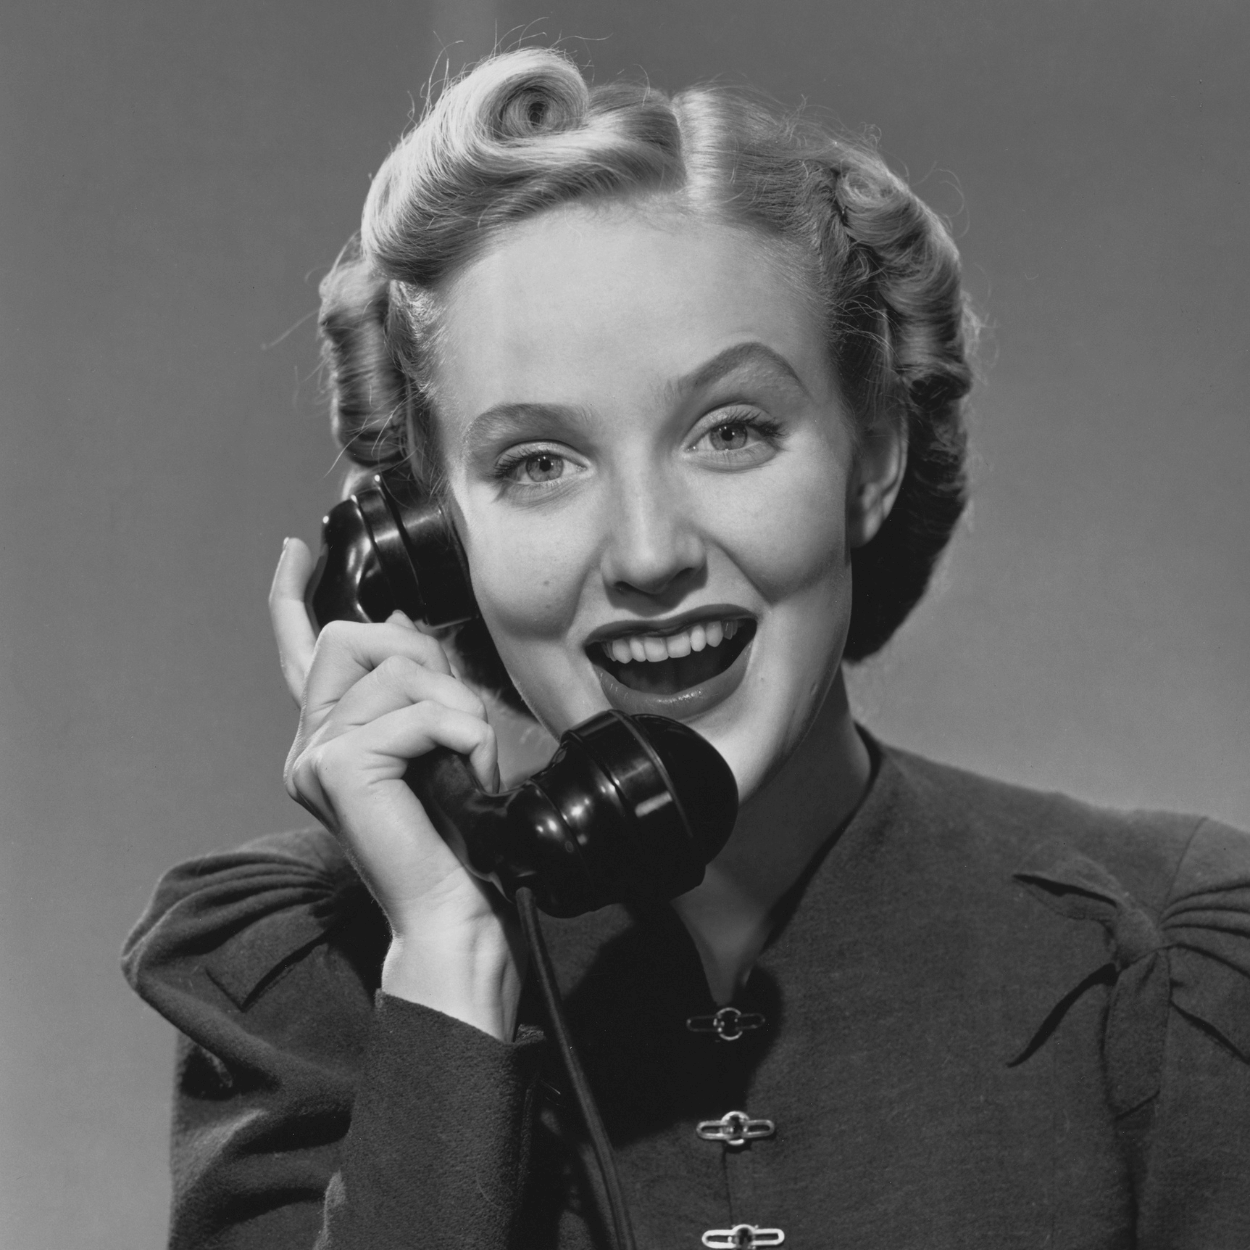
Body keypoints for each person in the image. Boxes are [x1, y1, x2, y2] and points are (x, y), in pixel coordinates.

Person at [123, 46, 1250, 1250]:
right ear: (430, 546)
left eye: (730, 430)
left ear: (869, 457)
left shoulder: (1155, 959)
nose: (649, 551)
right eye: (538, 464)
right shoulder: (305, 973)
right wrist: (444, 963)